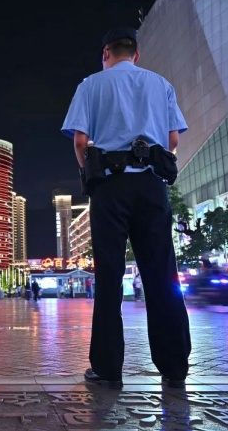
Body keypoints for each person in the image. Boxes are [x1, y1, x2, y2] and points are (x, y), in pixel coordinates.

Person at [61, 26, 191, 389]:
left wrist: (89, 174)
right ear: (136, 54)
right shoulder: (161, 84)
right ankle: (174, 366)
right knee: (162, 274)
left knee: (109, 276)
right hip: (151, 185)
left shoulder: (90, 85)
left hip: (110, 187)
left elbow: (81, 141)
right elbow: (173, 138)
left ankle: (107, 367)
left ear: (106, 53)